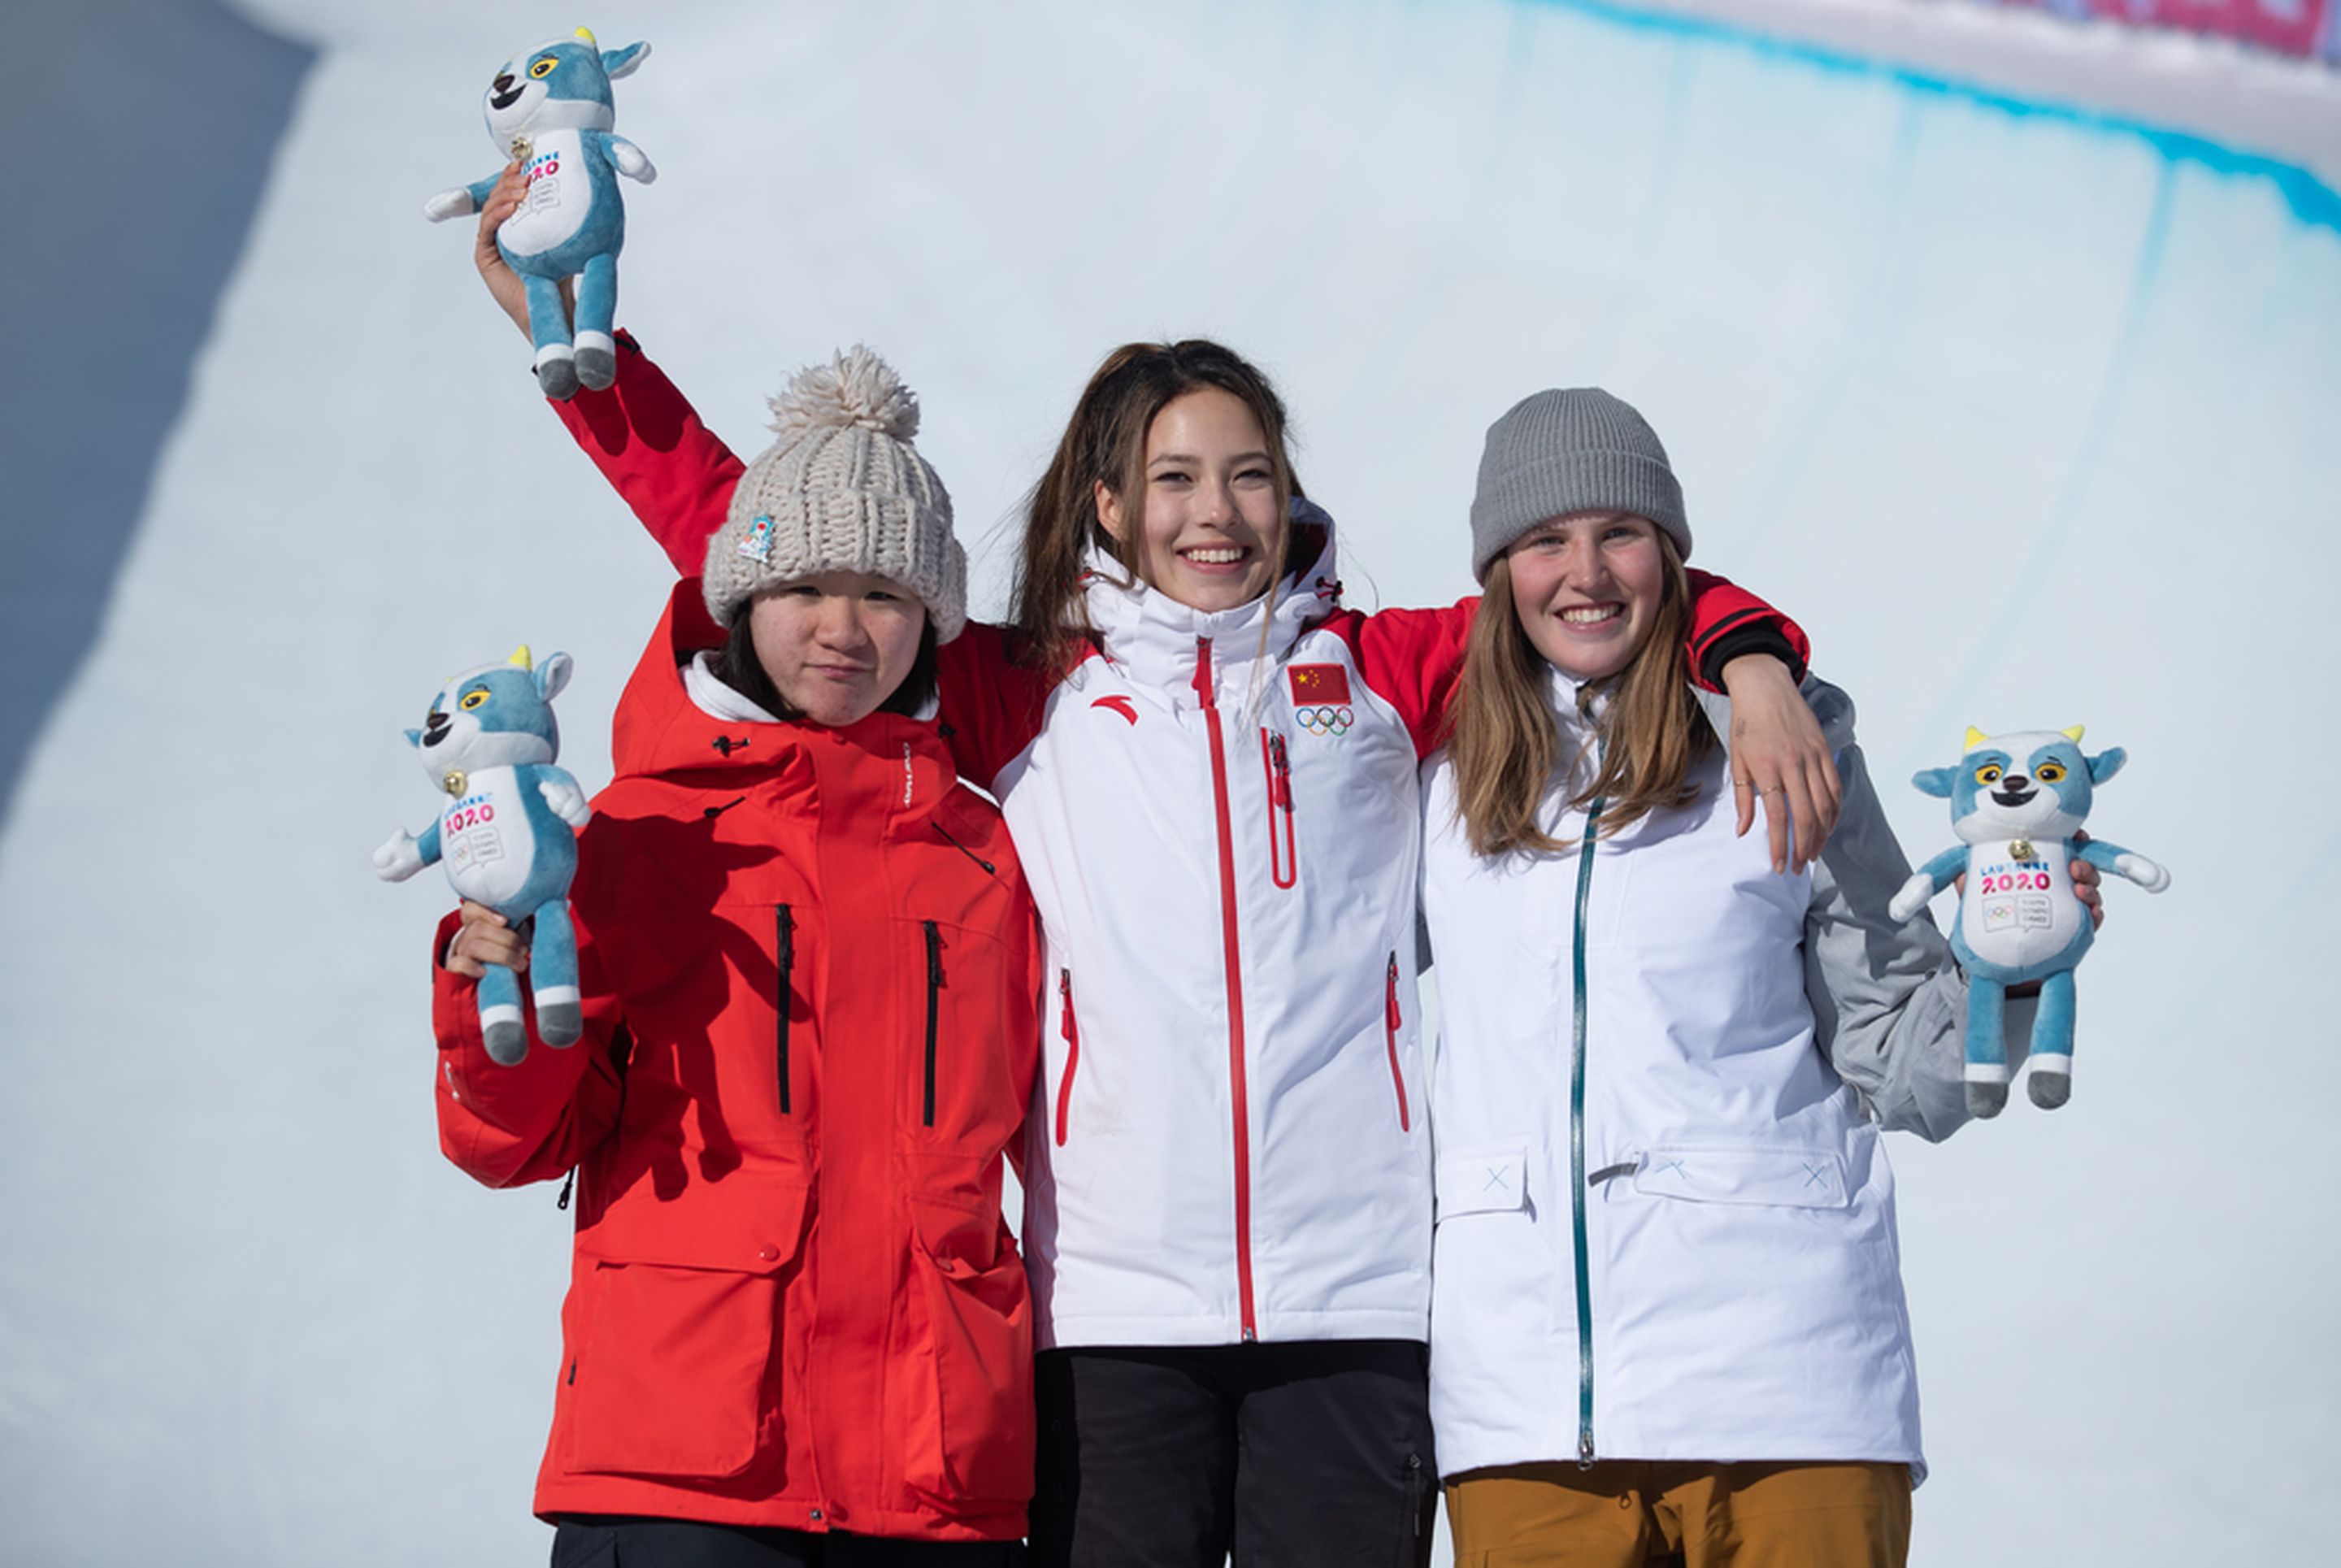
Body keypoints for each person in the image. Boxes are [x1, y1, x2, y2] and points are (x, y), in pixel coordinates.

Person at [454, 166, 1836, 1566]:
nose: (1214, 512)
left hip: (1354, 1304)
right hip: (1108, 1313)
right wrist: (587, 369)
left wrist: (1750, 649)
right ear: (1109, 503)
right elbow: (791, 557)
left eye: (1247, 473)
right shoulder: (1033, 684)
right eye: (1174, 477)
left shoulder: (1379, 673)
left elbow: (1578, 592)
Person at [1419, 388, 2101, 1567]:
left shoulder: (1784, 744)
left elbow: (1899, 1052)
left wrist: (2008, 977)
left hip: (1790, 1389)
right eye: (1544, 540)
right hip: (1523, 1407)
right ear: (1499, 571)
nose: (1586, 572)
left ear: (1674, 555)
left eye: (1620, 531)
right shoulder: (1432, 767)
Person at [432, 350, 1042, 1566]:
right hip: (684, 1474)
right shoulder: (633, 833)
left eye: (885, 591)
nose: (842, 626)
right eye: (804, 585)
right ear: (740, 597)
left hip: (935, 1480)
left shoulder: (993, 850)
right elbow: (514, 1142)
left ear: (934, 616)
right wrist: (483, 989)